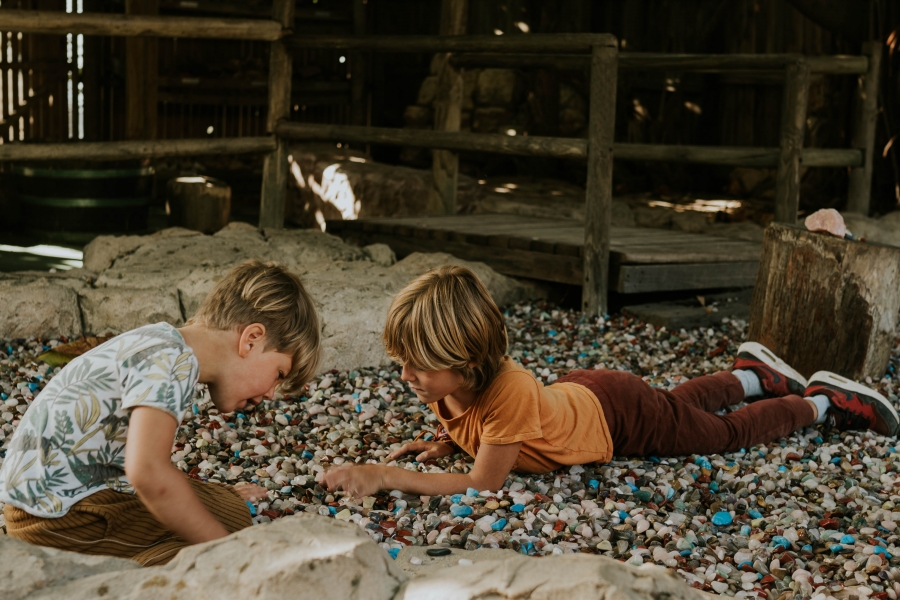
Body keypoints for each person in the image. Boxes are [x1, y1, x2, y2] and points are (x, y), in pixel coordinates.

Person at [323, 265, 899, 498]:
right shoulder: (449, 385)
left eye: (418, 365)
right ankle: (751, 375)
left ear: (467, 359)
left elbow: (483, 485)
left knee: (717, 436)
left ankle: (822, 402)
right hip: (590, 395)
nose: (406, 377)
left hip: (617, 416)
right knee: (677, 408)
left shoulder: (510, 389)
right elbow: (483, 430)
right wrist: (444, 441)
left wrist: (385, 475)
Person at [0, 259, 320, 566]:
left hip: (40, 503)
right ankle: (147, 571)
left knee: (218, 506)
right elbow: (148, 473)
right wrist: (227, 551)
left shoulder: (160, 341)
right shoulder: (174, 362)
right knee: (231, 520)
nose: (269, 394)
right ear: (251, 340)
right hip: (61, 520)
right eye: (279, 374)